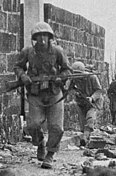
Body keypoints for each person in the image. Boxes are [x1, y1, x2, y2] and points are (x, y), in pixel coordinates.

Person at [14, 22, 71, 169]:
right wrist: (23, 76)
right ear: (34, 38)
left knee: (56, 127)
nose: (42, 39)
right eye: (38, 36)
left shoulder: (58, 51)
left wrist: (61, 78)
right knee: (33, 125)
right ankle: (40, 143)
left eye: (45, 35)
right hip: (35, 93)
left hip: (54, 93)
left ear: (50, 37)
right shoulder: (28, 52)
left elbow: (67, 70)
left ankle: (50, 154)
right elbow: (18, 66)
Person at [70, 61, 103, 144]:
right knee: (82, 120)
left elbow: (99, 90)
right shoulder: (73, 79)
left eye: (78, 74)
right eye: (75, 74)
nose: (77, 76)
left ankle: (85, 137)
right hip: (81, 102)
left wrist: (92, 98)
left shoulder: (92, 77)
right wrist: (75, 92)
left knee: (90, 117)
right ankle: (84, 136)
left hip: (93, 103)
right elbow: (70, 88)